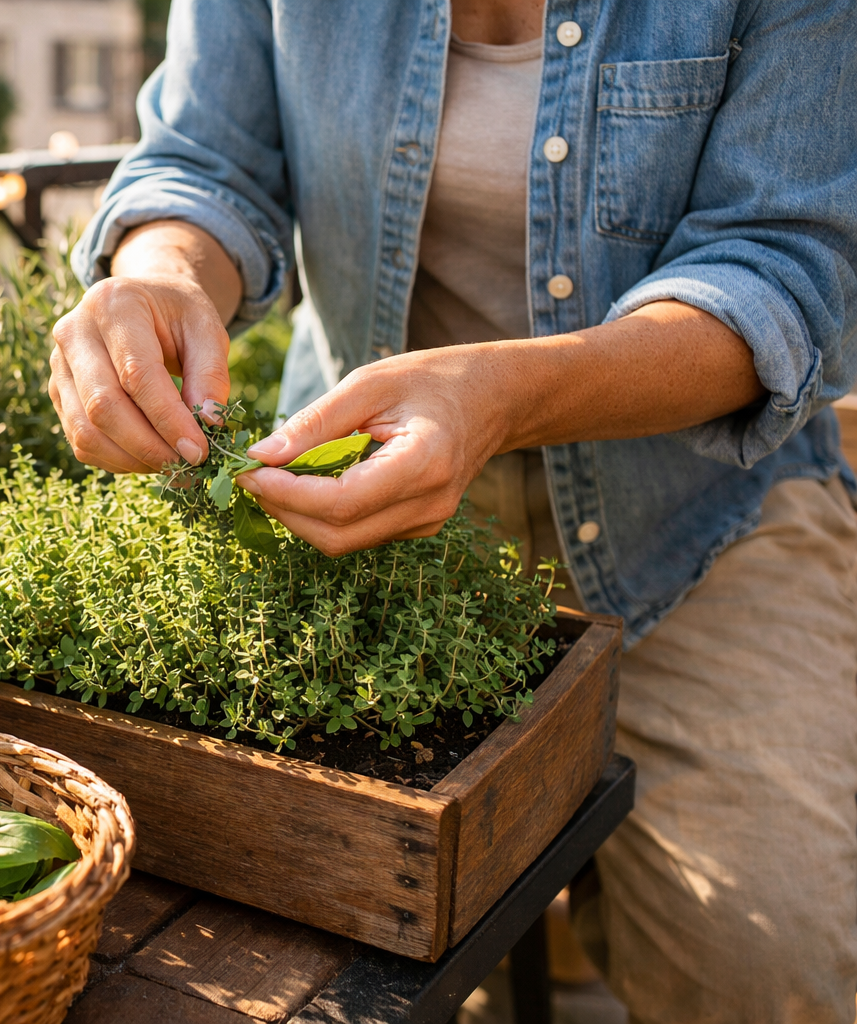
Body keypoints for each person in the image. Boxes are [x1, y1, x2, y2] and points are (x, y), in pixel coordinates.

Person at [50, 0, 857, 1020]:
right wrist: (159, 277)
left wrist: (504, 398)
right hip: (365, 496)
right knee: (357, 921)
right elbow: (209, 159)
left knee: (766, 960)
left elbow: (784, 263)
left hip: (698, 522)